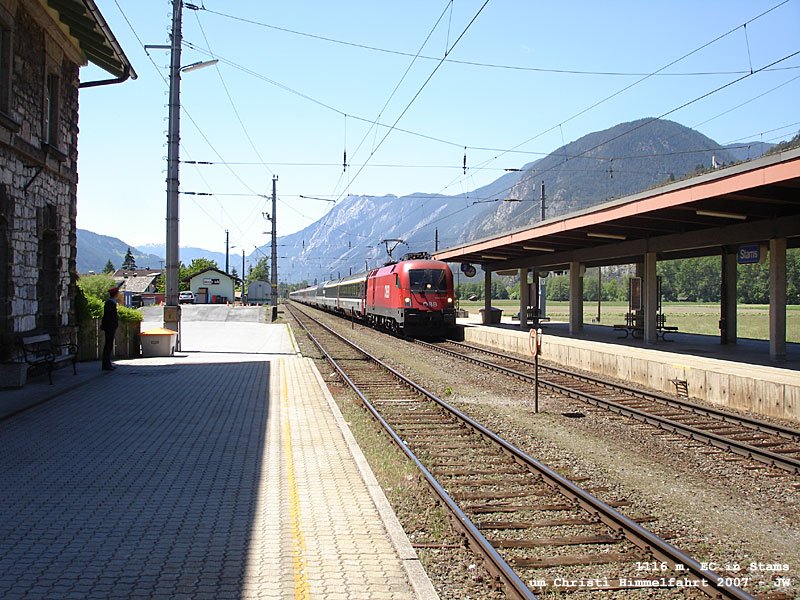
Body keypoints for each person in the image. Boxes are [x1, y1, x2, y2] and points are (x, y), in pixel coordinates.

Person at [101, 287, 119, 371]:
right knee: (108, 345)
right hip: (109, 327)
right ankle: (106, 364)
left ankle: (107, 363)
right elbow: (108, 316)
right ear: (115, 294)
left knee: (109, 345)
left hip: (110, 326)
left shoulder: (111, 303)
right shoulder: (110, 303)